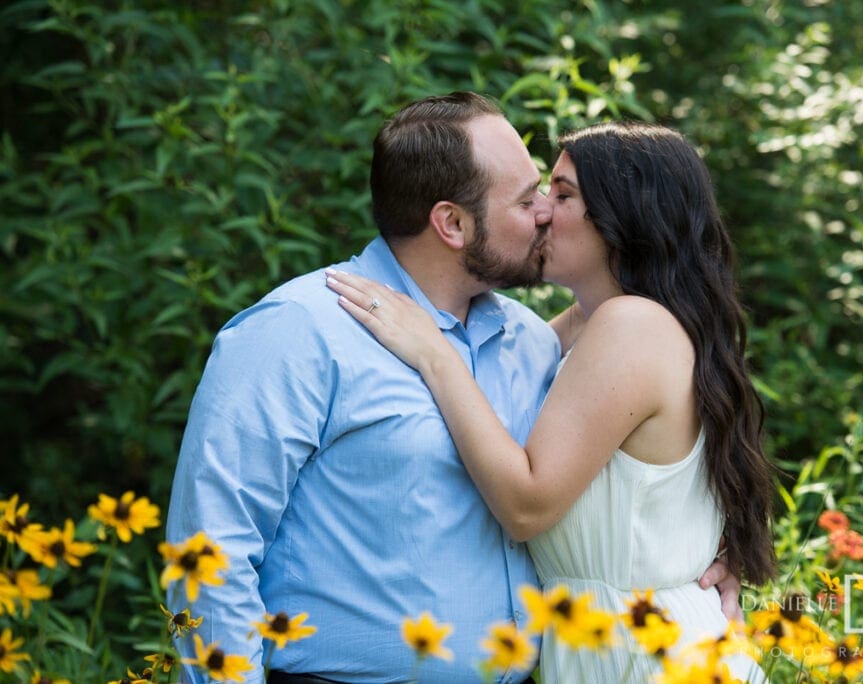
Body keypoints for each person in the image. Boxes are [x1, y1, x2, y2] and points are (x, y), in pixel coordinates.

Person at [165, 94, 739, 683]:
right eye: (528, 198)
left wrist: (697, 558)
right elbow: (211, 548)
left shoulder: (530, 342)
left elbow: (648, 452)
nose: (544, 212)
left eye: (554, 193)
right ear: (454, 223)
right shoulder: (300, 330)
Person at [326, 121, 776, 682]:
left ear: (622, 219)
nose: (540, 210)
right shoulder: (590, 327)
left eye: (562, 195)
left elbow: (527, 505)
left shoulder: (631, 325)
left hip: (646, 657)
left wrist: (431, 351)